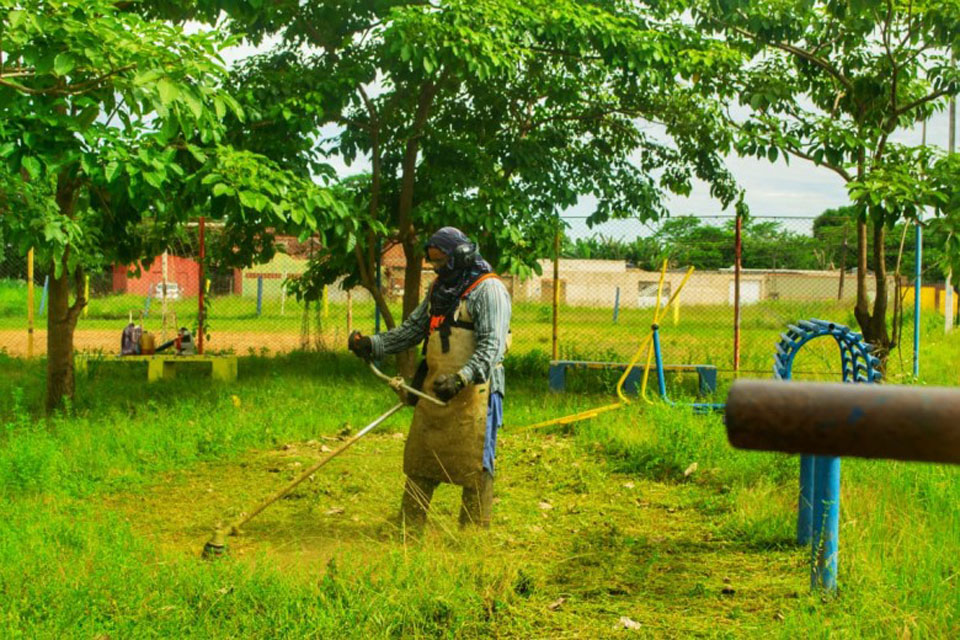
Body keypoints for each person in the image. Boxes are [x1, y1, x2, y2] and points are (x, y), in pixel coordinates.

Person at [348, 227, 511, 533]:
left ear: (461, 256)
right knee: (423, 453)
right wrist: (373, 344)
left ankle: (473, 533)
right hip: (437, 385)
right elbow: (412, 330)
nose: (436, 268)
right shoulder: (439, 289)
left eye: (441, 261)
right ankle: (409, 527)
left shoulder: (488, 290)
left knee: (476, 461)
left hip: (478, 390)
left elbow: (492, 347)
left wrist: (461, 379)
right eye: (433, 261)